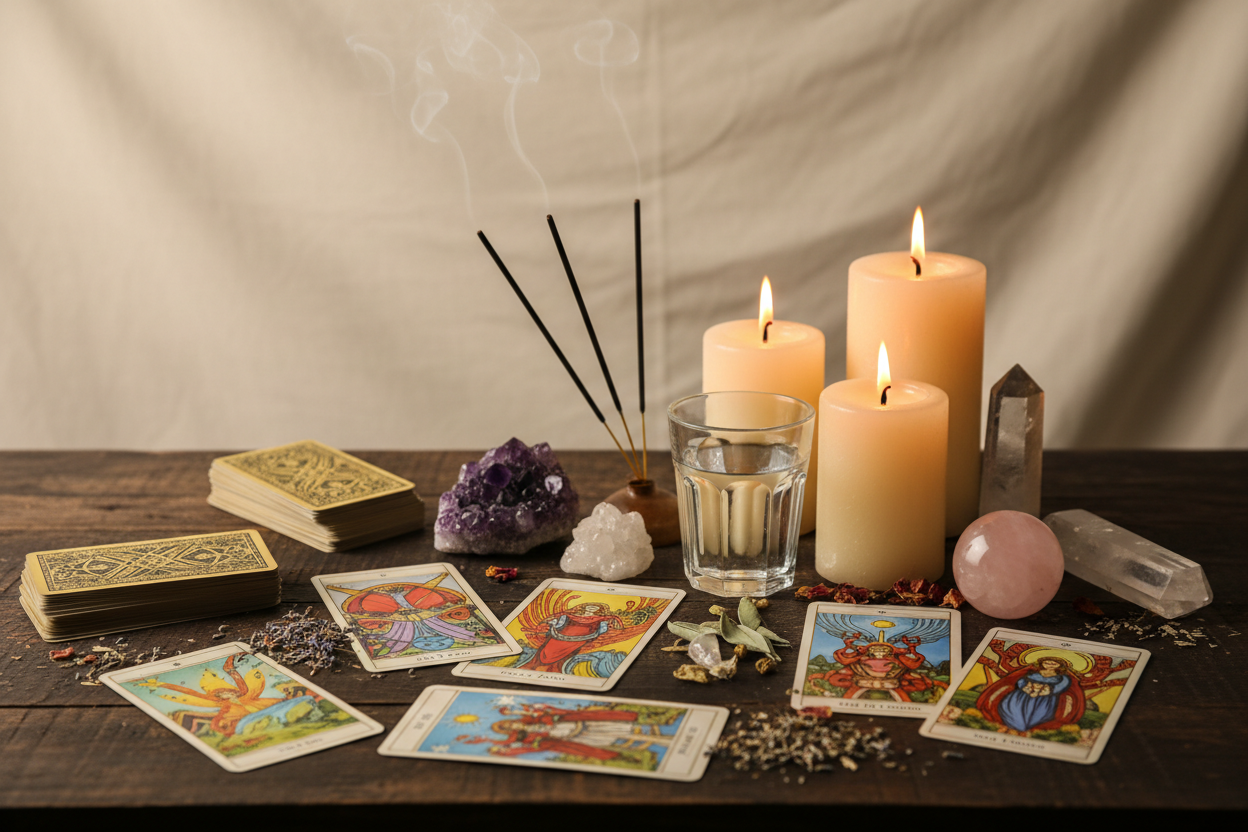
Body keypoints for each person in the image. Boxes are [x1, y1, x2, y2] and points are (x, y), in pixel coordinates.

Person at [976, 656, 1086, 734]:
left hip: (1046, 700)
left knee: (1038, 714)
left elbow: (1061, 686)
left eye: (1054, 663)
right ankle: (1011, 727)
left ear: (1060, 665)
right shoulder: (1033, 674)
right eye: (1047, 662)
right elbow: (1021, 681)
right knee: (1012, 709)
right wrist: (1027, 688)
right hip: (1021, 697)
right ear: (1041, 663)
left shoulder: (1063, 677)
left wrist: (1047, 690)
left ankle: (1024, 730)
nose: (1050, 664)